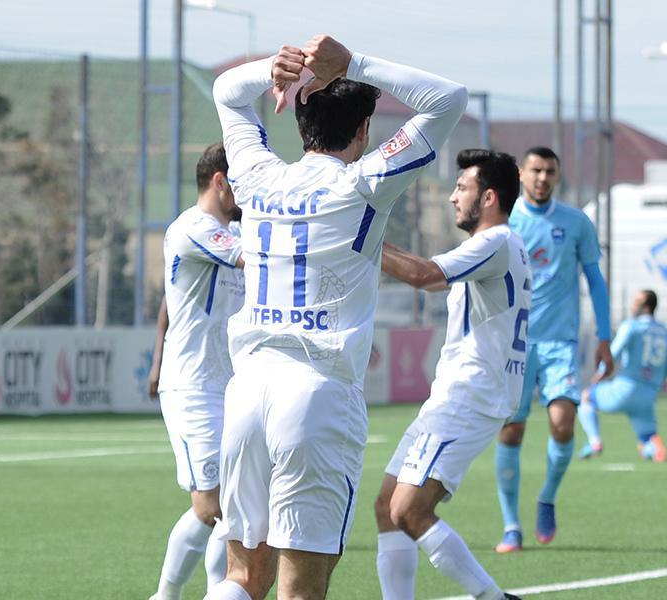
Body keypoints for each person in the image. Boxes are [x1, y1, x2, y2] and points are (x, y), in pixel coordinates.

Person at [207, 35, 468, 600]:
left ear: (300, 123)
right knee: (301, 589)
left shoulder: (256, 175)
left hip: (247, 391)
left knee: (242, 578)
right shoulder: (363, 183)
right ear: (364, 129)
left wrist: (274, 68)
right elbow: (449, 99)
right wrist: (355, 64)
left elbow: (227, 91)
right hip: (316, 393)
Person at [374, 149, 527, 600]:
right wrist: (367, 236)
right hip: (456, 396)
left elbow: (423, 276)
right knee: (387, 506)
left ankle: (493, 598)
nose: (452, 197)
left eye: (462, 188)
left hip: (470, 396)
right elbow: (429, 272)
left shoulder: (495, 242)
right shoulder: (497, 245)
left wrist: (358, 238)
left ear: (489, 197)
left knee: (409, 511)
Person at [494, 146, 614, 553]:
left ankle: (546, 497)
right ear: (521, 174)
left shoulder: (576, 222)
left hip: (560, 343)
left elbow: (595, 281)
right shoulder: (505, 220)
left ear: (558, 176)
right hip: (513, 344)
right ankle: (511, 526)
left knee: (563, 424)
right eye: (536, 170)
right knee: (512, 430)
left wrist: (604, 337)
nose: (542, 178)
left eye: (549, 171)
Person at [150, 142, 244, 600]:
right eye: (244, 182)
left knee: (234, 504)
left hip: (232, 385)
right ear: (220, 181)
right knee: (213, 506)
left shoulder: (235, 229)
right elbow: (256, 258)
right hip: (194, 387)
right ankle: (168, 595)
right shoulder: (194, 229)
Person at [578, 289, 667, 462]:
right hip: (648, 395)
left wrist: (600, 374)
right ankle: (653, 448)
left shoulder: (632, 327)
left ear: (646, 307)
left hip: (625, 388)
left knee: (586, 397)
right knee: (646, 437)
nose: (632, 305)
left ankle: (594, 442)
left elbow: (613, 353)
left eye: (636, 302)